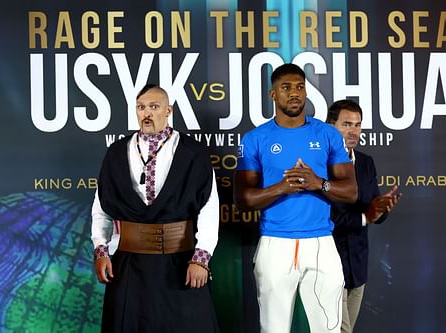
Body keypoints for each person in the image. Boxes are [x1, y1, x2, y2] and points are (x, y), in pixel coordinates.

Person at [234, 63, 358, 333]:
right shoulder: (256, 138)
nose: (294, 93)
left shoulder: (327, 134)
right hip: (274, 244)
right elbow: (243, 198)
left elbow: (351, 192)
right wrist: (282, 187)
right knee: (274, 329)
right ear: (273, 95)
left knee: (329, 328)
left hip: (321, 244)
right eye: (286, 87)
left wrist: (318, 183)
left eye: (300, 87)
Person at [91, 84, 220, 333]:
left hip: (180, 261)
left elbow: (209, 208)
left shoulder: (193, 152)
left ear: (168, 110)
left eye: (154, 106)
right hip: (129, 263)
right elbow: (101, 207)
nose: (146, 113)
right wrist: (101, 249)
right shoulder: (116, 152)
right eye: (141, 107)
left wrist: (201, 259)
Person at [326, 99, 401, 333]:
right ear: (330, 127)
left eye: (358, 125)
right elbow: (325, 218)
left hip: (358, 266)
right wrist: (365, 217)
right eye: (346, 124)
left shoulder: (366, 162)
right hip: (328, 263)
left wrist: (381, 210)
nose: (354, 131)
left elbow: (373, 209)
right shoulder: (318, 163)